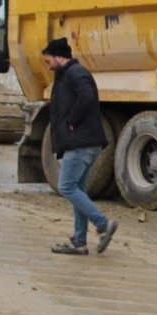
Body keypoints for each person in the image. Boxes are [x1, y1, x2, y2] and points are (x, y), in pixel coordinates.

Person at [42, 37, 119, 256]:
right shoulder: (65, 76)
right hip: (78, 143)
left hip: (82, 143)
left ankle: (102, 224)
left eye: (48, 61)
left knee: (66, 187)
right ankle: (79, 242)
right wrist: (61, 149)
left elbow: (87, 97)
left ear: (59, 57)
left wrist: (72, 122)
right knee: (78, 190)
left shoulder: (76, 73)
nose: (47, 65)